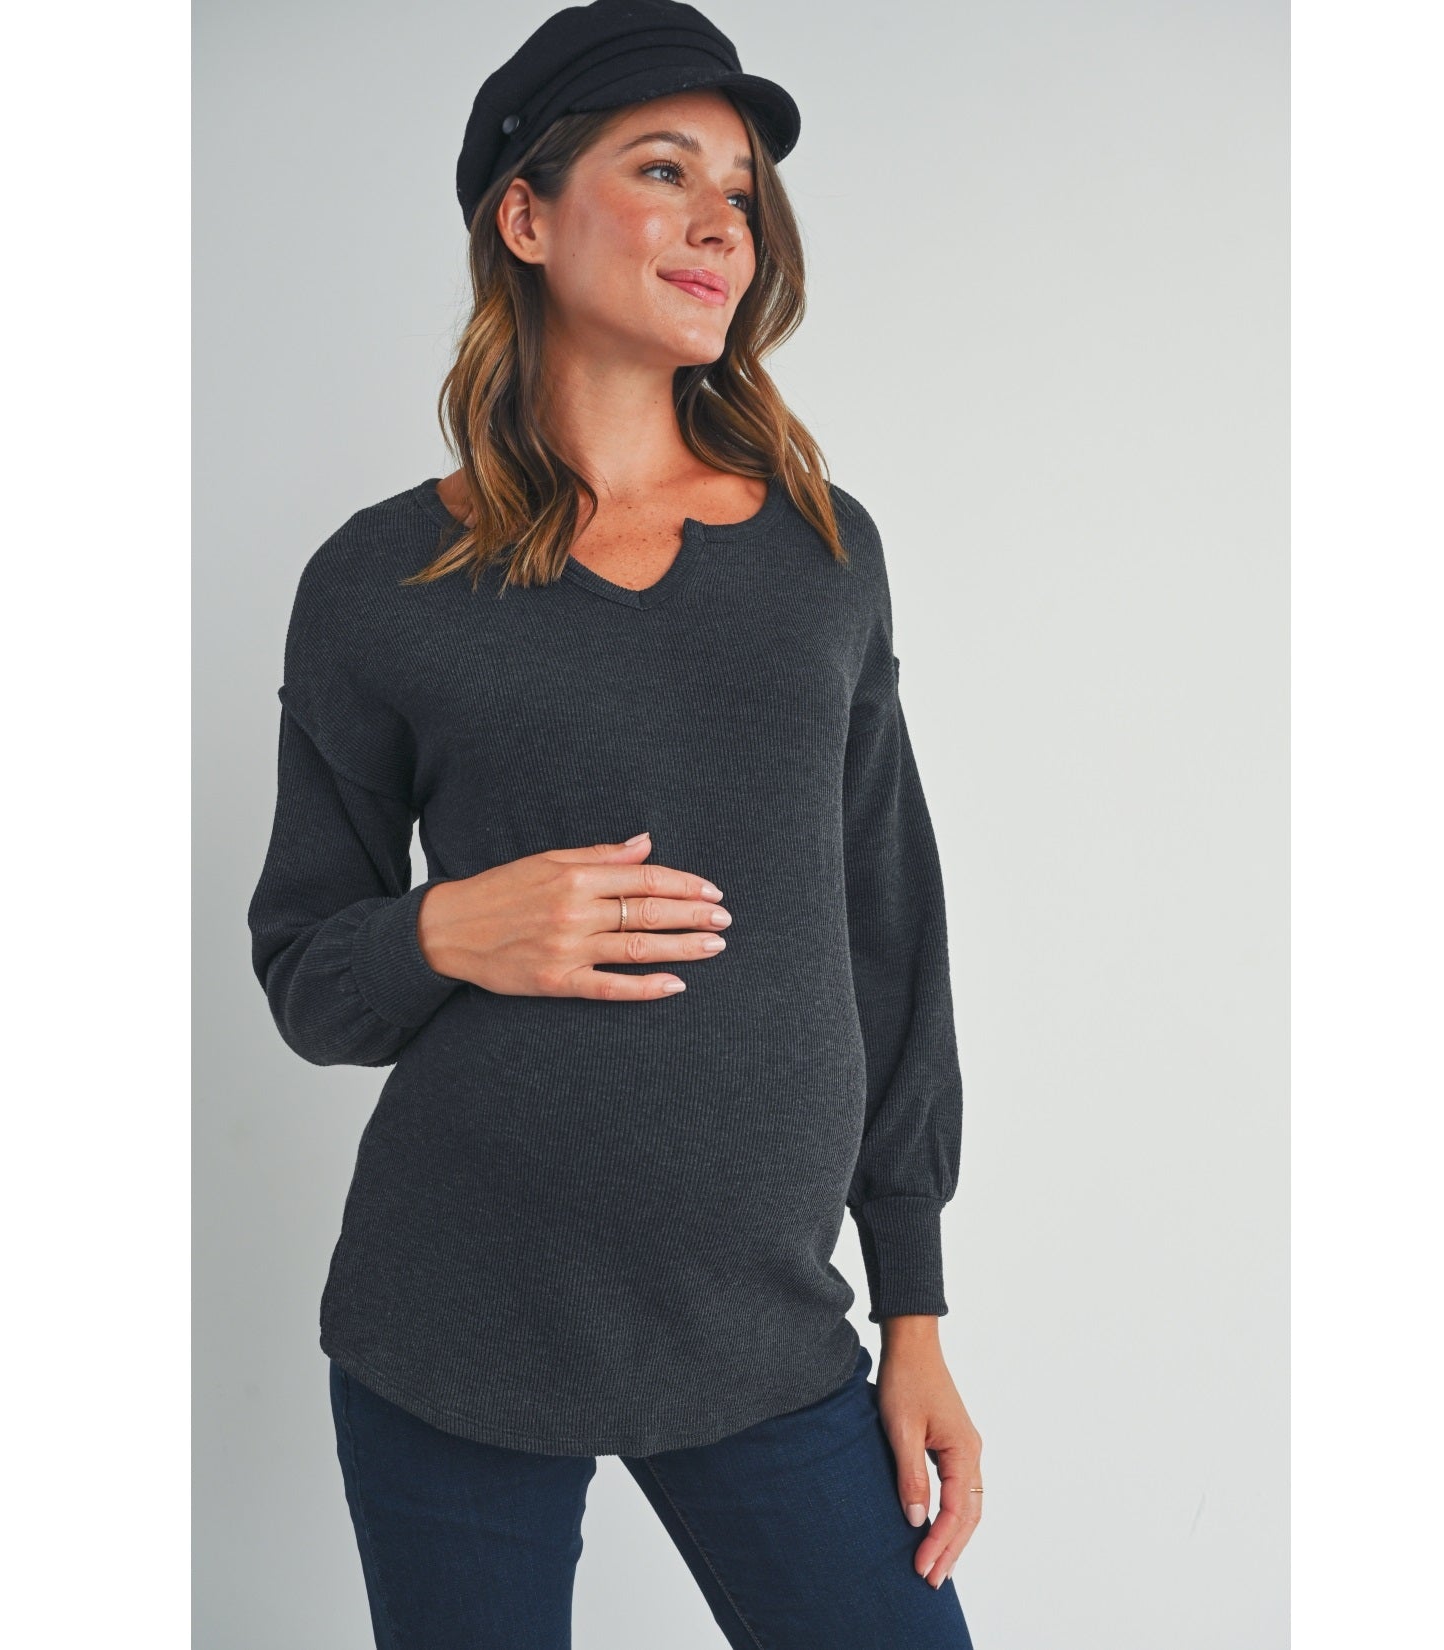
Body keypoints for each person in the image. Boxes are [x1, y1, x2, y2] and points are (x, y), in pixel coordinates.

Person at [245, 2, 983, 1644]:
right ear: (525, 214)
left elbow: (888, 929)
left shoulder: (821, 550)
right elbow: (305, 973)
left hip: (762, 1326)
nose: (723, 219)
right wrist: (447, 927)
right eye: (664, 170)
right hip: (451, 1317)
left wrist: (914, 1308)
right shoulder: (378, 581)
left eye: (741, 188)